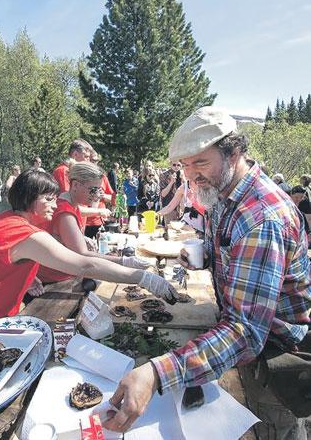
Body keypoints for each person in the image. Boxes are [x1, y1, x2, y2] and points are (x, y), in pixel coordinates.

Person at [104, 107, 310, 439]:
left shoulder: (262, 218)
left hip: (273, 364)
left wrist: (156, 373)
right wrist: (205, 258)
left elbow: (245, 331)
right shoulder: (225, 195)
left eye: (200, 163)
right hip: (241, 353)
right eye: (185, 166)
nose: (191, 176)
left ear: (235, 152)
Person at [0, 169, 177, 334]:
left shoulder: (1, 221)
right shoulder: (26, 233)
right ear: (29, 199)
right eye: (48, 199)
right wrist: (143, 278)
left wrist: (26, 275)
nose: (55, 205)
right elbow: (84, 264)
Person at [36, 162, 149, 285]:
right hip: (54, 281)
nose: (96, 195)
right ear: (75, 185)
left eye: (99, 190)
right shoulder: (65, 212)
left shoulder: (72, 205)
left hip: (63, 274)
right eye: (93, 190)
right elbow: (83, 255)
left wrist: (81, 238)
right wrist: (124, 262)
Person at [85, 152, 114, 239]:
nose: (94, 163)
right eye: (92, 160)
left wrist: (102, 195)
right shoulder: (81, 178)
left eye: (96, 161)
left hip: (100, 221)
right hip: (85, 222)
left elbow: (113, 198)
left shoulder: (102, 177)